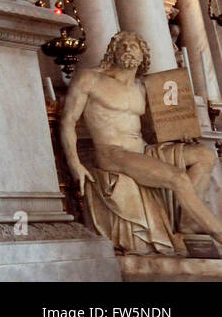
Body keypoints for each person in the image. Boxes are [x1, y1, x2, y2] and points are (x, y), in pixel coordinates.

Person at [61, 31, 222, 250]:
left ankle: (189, 224)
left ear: (143, 54)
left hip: (142, 150)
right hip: (112, 152)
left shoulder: (142, 87)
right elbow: (68, 122)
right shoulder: (90, 78)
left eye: (133, 46)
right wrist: (74, 164)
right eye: (123, 45)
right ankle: (218, 233)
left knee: (205, 155)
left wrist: (180, 133)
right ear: (113, 51)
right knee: (178, 179)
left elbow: (152, 131)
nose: (128, 49)